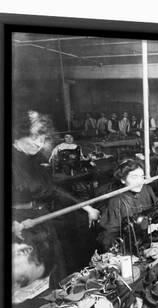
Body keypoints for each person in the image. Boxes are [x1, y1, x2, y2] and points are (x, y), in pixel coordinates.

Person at [12, 110, 100, 272]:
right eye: (33, 137)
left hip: (41, 217)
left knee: (54, 265)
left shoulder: (36, 159)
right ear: (18, 135)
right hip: (19, 225)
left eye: (42, 138)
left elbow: (53, 190)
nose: (38, 143)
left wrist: (86, 207)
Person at [98, 160, 157, 250]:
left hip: (149, 239)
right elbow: (109, 236)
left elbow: (157, 208)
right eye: (134, 177)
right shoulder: (116, 201)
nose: (140, 181)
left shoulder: (147, 190)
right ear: (123, 180)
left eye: (142, 177)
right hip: (131, 246)